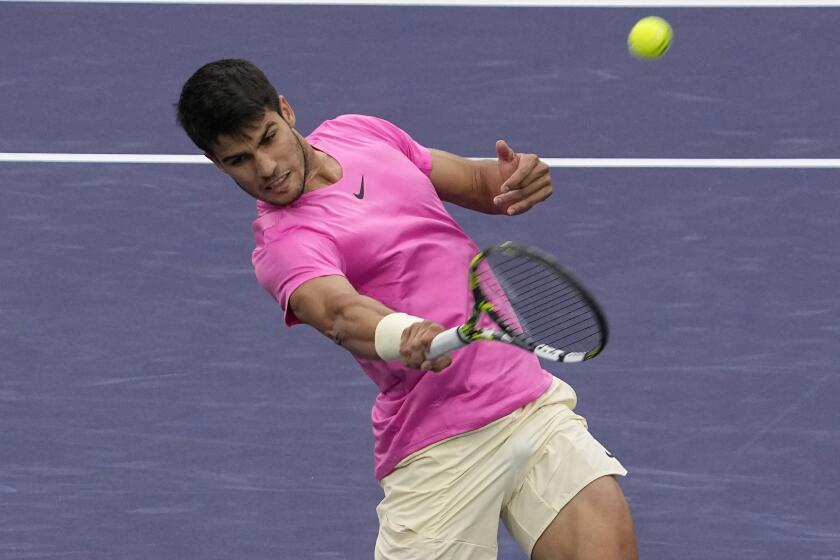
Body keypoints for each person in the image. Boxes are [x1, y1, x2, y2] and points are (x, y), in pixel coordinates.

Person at [176, 58, 637, 560]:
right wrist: (402, 332)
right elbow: (339, 312)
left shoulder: (360, 133)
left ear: (286, 111)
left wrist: (516, 179)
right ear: (215, 162)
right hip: (440, 448)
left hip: (527, 400)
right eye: (239, 160)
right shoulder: (284, 244)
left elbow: (479, 183)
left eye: (267, 138)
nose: (266, 168)